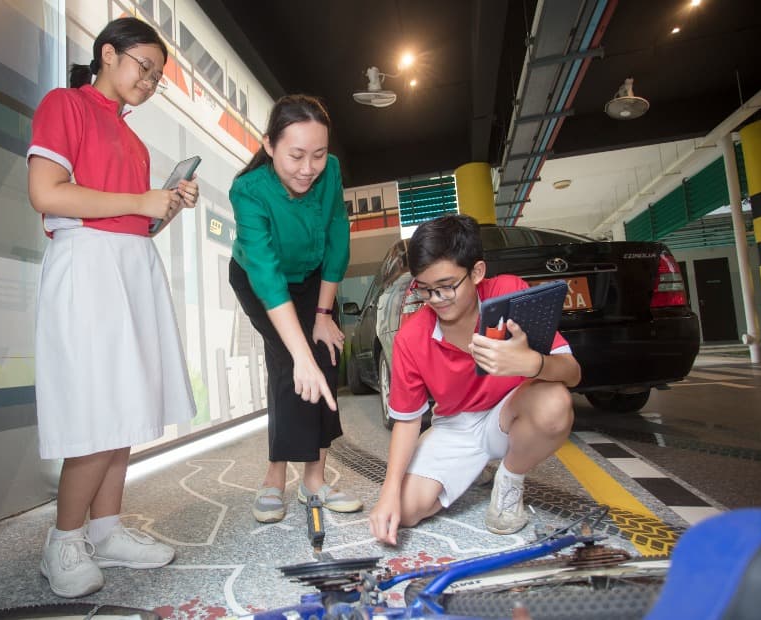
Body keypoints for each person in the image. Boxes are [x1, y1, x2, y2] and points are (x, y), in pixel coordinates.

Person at [27, 17, 199, 598]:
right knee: (97, 408)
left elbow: (138, 222)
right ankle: (64, 540)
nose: (149, 81)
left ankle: (105, 529)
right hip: (87, 265)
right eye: (143, 66)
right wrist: (139, 199)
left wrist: (168, 205)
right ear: (108, 53)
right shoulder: (64, 104)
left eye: (158, 76)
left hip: (129, 264)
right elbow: (47, 192)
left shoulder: (133, 139)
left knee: (125, 405)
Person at [369, 215, 580, 544]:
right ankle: (474, 468)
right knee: (406, 511)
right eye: (425, 290)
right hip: (455, 426)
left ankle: (509, 479)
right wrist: (388, 492)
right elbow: (407, 422)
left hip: (509, 415)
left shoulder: (511, 293)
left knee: (554, 403)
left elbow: (572, 372)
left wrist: (532, 363)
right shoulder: (412, 337)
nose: (436, 299)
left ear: (477, 272)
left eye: (447, 286)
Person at [228, 94, 362, 524]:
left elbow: (337, 237)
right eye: (296, 155)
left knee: (325, 357)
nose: (309, 168)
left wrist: (323, 317)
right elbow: (265, 274)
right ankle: (274, 477)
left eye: (318, 155)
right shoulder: (248, 191)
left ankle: (314, 482)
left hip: (313, 279)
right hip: (260, 280)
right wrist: (302, 351)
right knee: (292, 362)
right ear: (269, 146)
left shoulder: (331, 171)